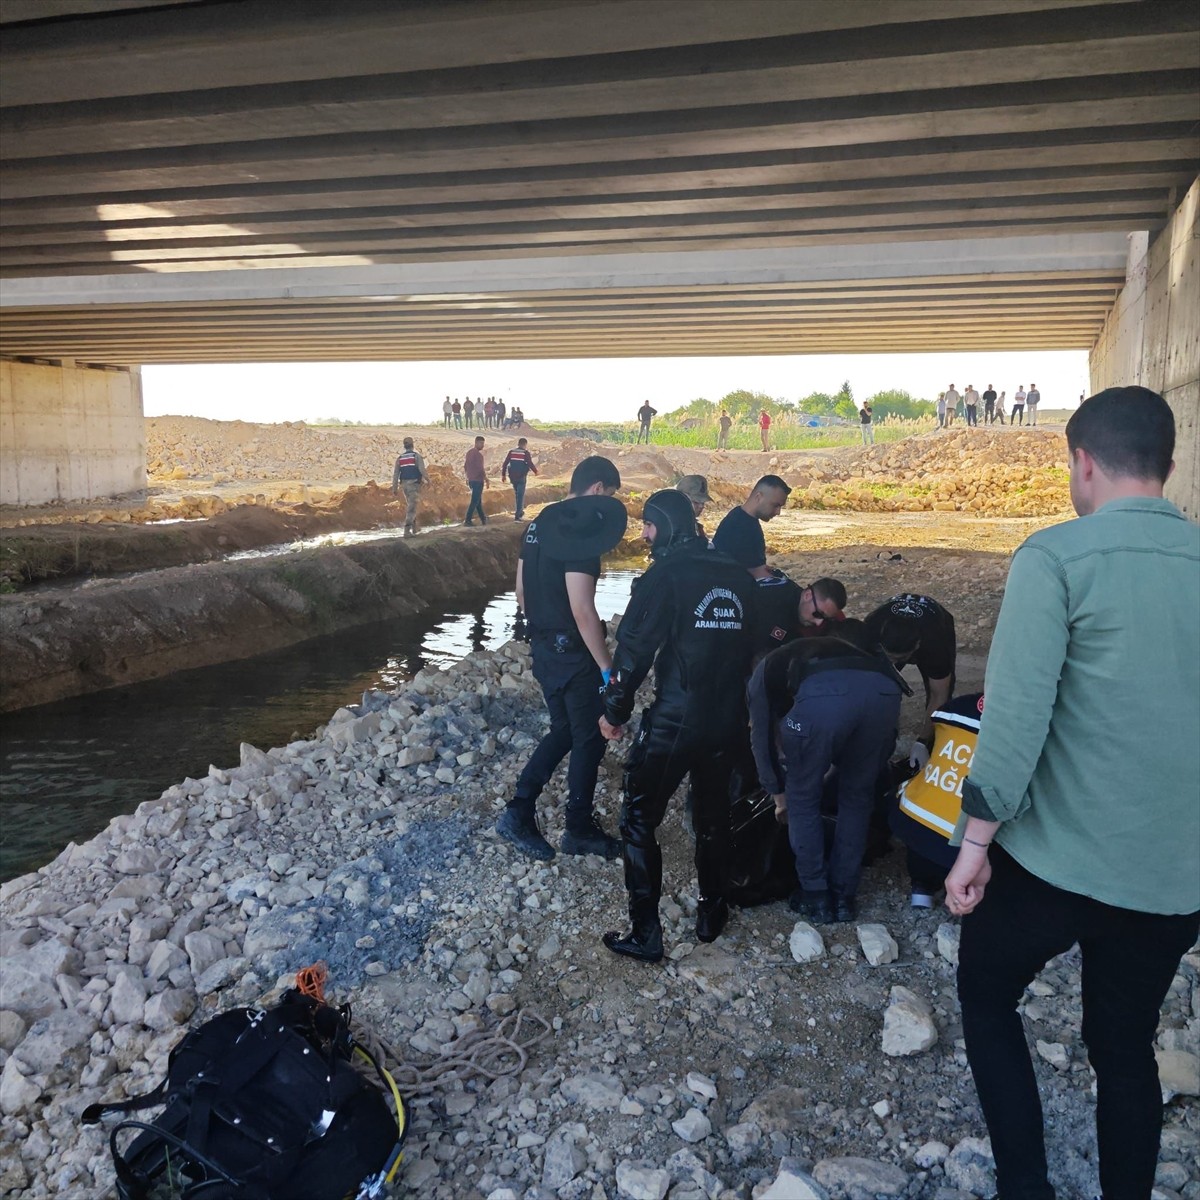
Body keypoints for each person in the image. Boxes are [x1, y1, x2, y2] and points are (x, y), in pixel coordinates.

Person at [945, 386, 1200, 1200]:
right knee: (1124, 1047)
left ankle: (1026, 1187)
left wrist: (973, 847)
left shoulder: (1055, 557)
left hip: (1051, 866)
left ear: (1083, 464)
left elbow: (1014, 725)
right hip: (1170, 878)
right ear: (1168, 463)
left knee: (987, 997)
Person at [599, 489, 755, 960]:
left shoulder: (665, 574)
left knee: (639, 820)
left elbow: (633, 655)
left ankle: (646, 934)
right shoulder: (736, 574)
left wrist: (614, 712)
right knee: (712, 818)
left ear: (665, 525)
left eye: (648, 524)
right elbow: (749, 650)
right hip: (727, 719)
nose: (643, 534)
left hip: (676, 721)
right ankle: (712, 913)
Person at [497, 456, 626, 861]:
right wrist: (607, 669)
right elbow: (583, 610)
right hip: (572, 653)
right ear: (599, 490)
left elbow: (520, 593)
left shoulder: (540, 522)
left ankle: (519, 809)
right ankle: (577, 828)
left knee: (566, 730)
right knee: (588, 736)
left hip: (543, 646)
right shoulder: (582, 530)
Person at [748, 620, 905, 923]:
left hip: (827, 697)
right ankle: (844, 896)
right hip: (885, 692)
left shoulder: (762, 674)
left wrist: (779, 797)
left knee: (803, 797)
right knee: (857, 798)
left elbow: (761, 740)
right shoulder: (813, 653)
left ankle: (816, 895)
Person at [889, 691, 983, 907]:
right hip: (963, 839)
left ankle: (921, 887)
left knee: (925, 809)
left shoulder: (958, 706)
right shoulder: (1033, 727)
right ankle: (966, 894)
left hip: (912, 815)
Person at [862, 594, 956, 739]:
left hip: (937, 623)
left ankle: (933, 740)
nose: (893, 662)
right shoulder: (871, 628)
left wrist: (922, 741)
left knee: (942, 692)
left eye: (899, 659)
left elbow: (939, 695)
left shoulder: (935, 643)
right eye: (889, 657)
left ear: (917, 646)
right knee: (874, 683)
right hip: (885, 630)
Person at [712, 475, 791, 580]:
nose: (778, 512)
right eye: (775, 505)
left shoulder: (743, 519)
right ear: (758, 497)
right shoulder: (739, 526)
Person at [752, 574, 846, 659]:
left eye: (826, 618)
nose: (819, 623)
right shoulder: (771, 609)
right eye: (818, 614)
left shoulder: (826, 612)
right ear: (807, 595)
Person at [390, 436, 431, 537]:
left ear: (404, 446)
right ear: (413, 445)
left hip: (404, 485)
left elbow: (396, 474)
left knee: (411, 505)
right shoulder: (416, 456)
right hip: (414, 484)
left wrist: (394, 488)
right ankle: (407, 531)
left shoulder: (400, 458)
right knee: (412, 508)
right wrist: (428, 480)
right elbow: (422, 470)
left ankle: (415, 528)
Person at [501, 437, 538, 520]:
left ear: (518, 444)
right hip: (521, 477)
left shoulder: (511, 452)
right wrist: (536, 471)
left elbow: (505, 464)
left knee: (517, 494)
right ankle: (518, 516)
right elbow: (530, 463)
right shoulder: (525, 453)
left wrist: (503, 475)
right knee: (520, 496)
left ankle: (520, 512)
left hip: (513, 477)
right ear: (525, 445)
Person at [674, 474, 711, 538]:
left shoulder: (693, 525)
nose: (701, 506)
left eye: (703, 502)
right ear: (681, 499)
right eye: (696, 502)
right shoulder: (670, 527)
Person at [463, 436, 488, 526]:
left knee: (478, 501)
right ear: (476, 443)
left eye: (483, 443)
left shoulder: (469, 453)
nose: (483, 445)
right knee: (475, 501)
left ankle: (483, 519)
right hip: (478, 480)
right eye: (481, 443)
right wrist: (486, 479)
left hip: (471, 480)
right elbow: (481, 469)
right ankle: (467, 520)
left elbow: (465, 466)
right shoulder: (478, 455)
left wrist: (467, 477)